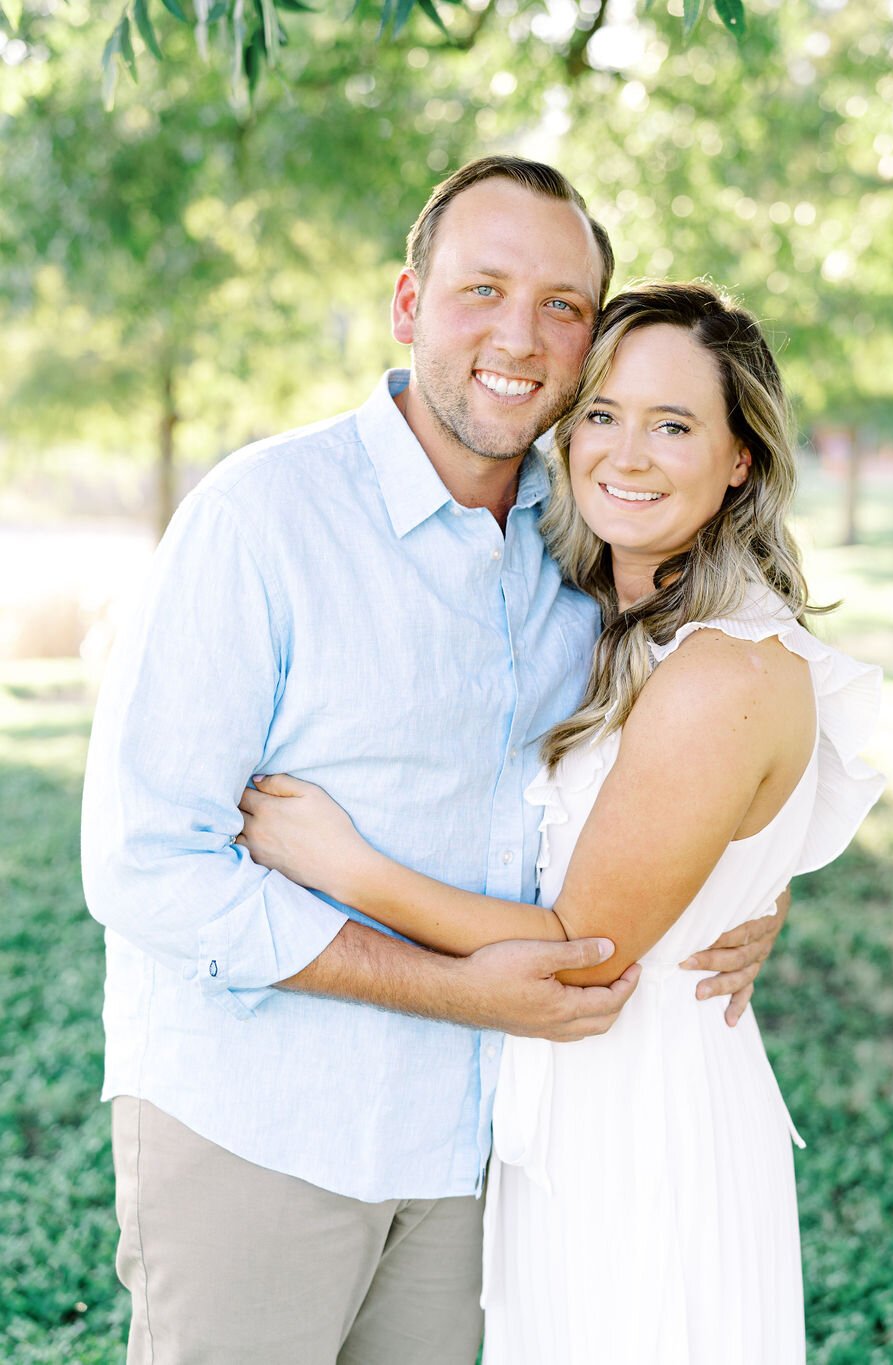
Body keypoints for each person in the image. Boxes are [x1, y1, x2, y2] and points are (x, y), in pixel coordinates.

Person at [80, 160, 787, 1365]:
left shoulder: (579, 553)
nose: (519, 336)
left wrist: (744, 897)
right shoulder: (264, 516)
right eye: (481, 290)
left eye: (562, 305)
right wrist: (455, 990)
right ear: (408, 306)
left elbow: (684, 766)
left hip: (479, 1160)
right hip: (262, 1129)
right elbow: (146, 867)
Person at [237, 281, 885, 1363]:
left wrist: (344, 864)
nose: (625, 454)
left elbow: (582, 948)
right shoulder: (616, 618)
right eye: (602, 414)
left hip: (646, 1126)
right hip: (577, 1105)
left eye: (673, 425)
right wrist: (747, 897)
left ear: (740, 460)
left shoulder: (720, 670)